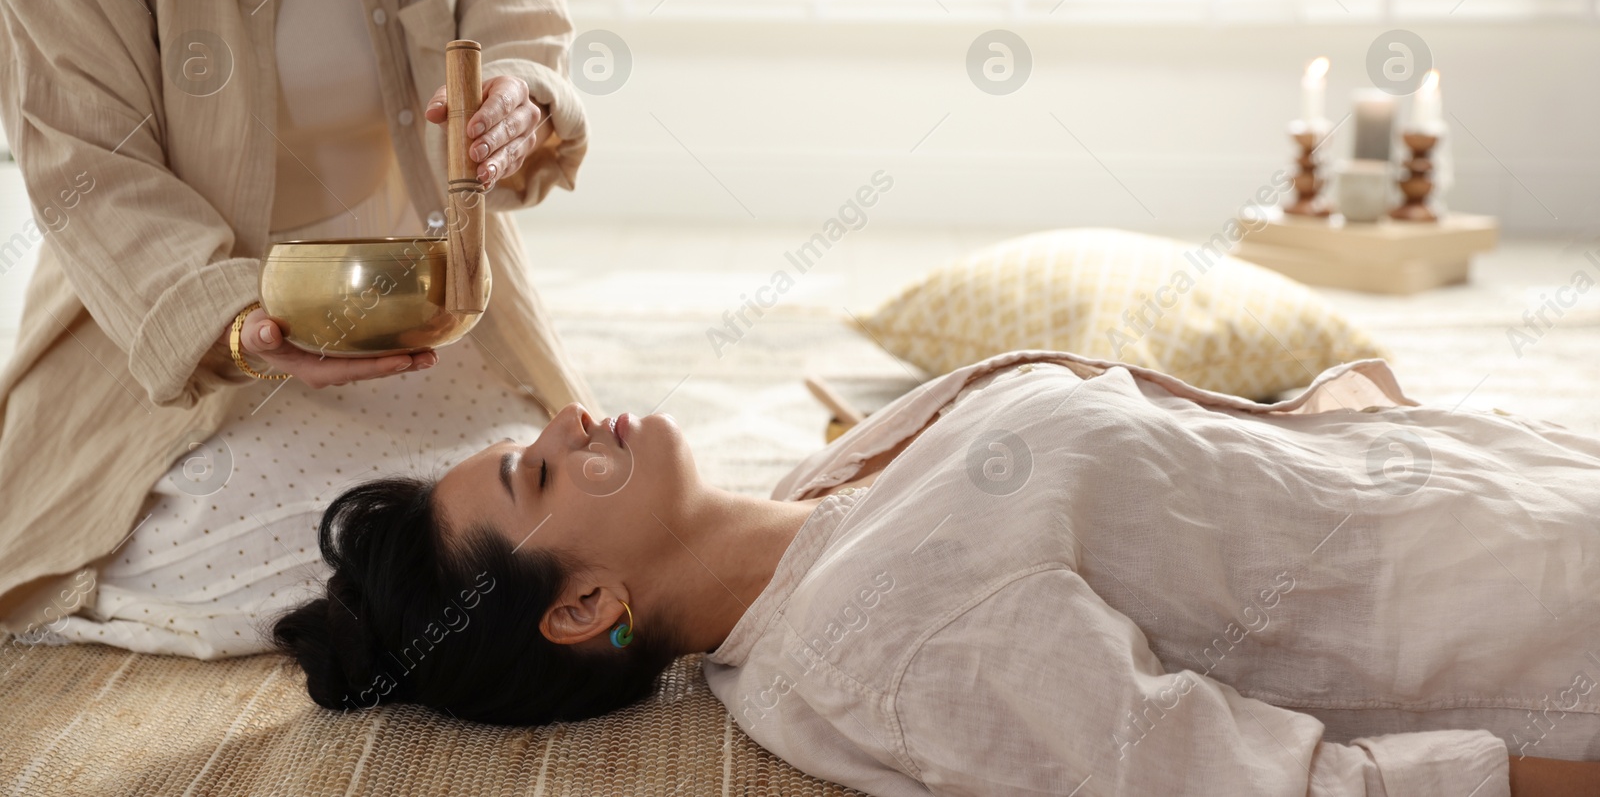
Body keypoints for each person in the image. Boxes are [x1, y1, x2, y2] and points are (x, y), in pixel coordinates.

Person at [273, 349, 1600, 796]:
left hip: (1518, 478)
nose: (568, 422)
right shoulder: (885, 648)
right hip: (1551, 611)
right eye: (537, 476)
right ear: (583, 606)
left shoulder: (815, 495)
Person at [0, 0, 597, 648]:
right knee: (313, 527)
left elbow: (518, 27)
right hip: (187, 353)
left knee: (537, 504)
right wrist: (246, 327)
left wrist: (521, 102)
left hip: (423, 328)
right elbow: (91, 174)